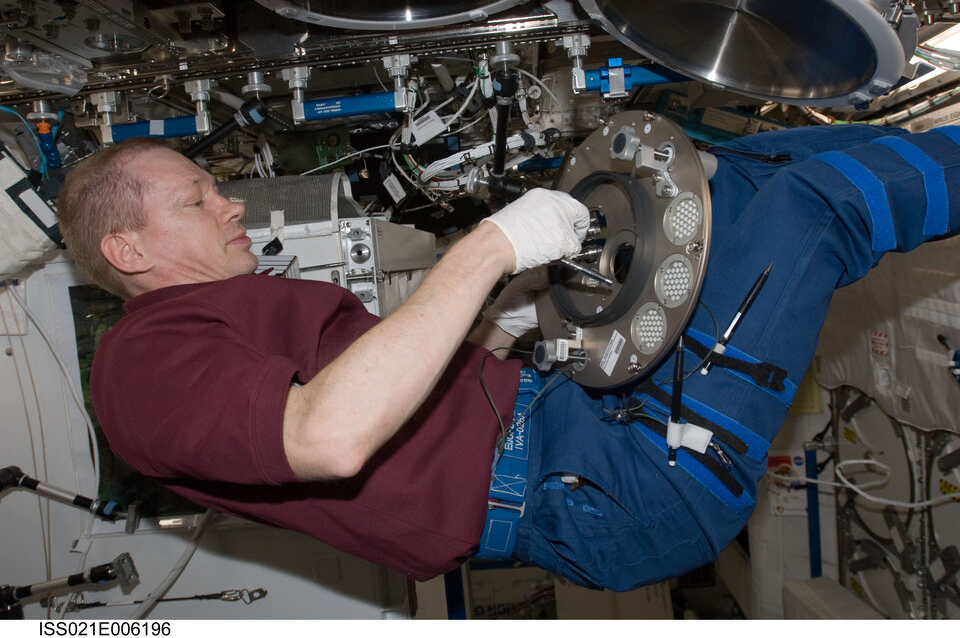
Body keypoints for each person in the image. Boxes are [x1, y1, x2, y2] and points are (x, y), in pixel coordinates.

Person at [55, 122, 960, 592]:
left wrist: (505, 323)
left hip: (566, 423)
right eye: (197, 202)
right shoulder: (140, 369)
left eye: (219, 191)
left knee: (738, 176)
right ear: (129, 251)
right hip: (615, 490)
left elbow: (413, 407)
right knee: (813, 211)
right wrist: (489, 247)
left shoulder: (212, 319)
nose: (233, 208)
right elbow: (328, 438)